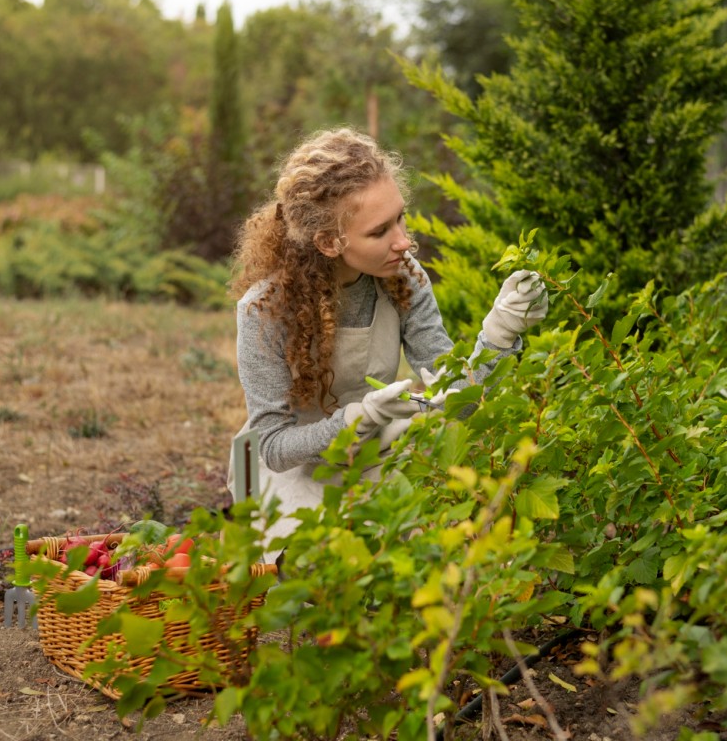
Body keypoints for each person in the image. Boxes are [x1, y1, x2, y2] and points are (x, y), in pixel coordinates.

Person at [227, 128, 548, 563]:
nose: (403, 240)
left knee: (425, 522)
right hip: (278, 468)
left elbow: (460, 400)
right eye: (380, 231)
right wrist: (352, 420)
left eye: (400, 217)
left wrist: (500, 334)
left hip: (366, 448)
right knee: (317, 570)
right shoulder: (263, 310)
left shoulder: (403, 277)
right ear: (328, 243)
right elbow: (272, 448)